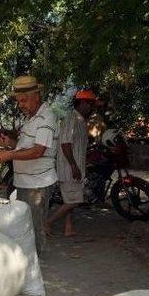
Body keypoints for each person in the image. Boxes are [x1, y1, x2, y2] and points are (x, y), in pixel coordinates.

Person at [0, 75, 57, 254]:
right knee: (24, 226)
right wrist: (12, 145)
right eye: (18, 101)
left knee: (34, 228)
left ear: (36, 96)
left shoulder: (46, 118)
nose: (20, 104)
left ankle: (36, 268)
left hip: (37, 184)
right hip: (26, 182)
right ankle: (29, 261)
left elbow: (38, 151)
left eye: (24, 100)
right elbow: (26, 148)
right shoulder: (32, 118)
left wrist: (9, 154)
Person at [46, 90, 96, 237]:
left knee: (70, 198)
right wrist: (74, 166)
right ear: (82, 103)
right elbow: (65, 144)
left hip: (74, 167)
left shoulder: (80, 120)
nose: (92, 108)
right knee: (74, 200)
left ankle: (68, 227)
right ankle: (48, 222)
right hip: (69, 168)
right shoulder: (71, 119)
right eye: (91, 104)